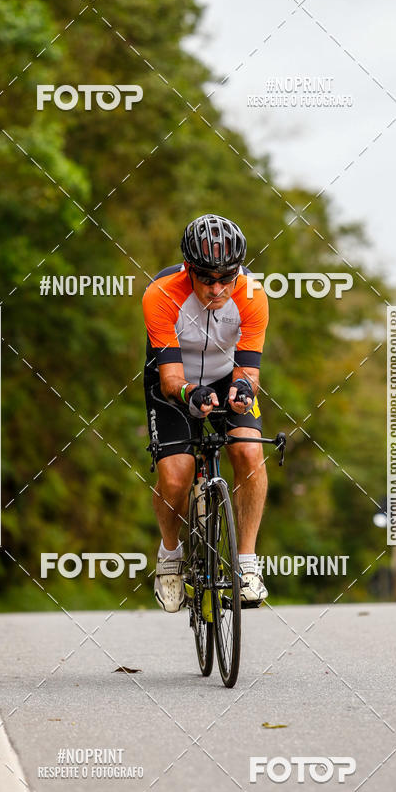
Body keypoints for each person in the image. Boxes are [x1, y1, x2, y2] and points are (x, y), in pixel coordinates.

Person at [143, 213, 269, 612]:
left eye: (226, 278)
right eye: (207, 279)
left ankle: (246, 565)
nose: (217, 288)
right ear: (189, 269)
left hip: (225, 377)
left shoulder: (253, 296)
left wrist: (243, 389)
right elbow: (170, 379)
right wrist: (189, 393)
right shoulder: (161, 295)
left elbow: (250, 372)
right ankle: (169, 557)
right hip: (174, 384)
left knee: (249, 452)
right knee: (176, 476)